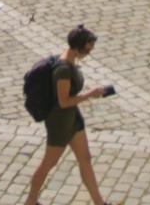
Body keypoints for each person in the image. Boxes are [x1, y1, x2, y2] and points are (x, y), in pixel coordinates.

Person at [23, 25, 112, 205]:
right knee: (49, 163)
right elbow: (63, 101)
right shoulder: (63, 69)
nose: (89, 52)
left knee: (85, 158)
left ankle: (99, 203)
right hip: (60, 122)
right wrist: (90, 94)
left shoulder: (71, 60)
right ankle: (30, 201)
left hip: (72, 118)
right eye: (88, 48)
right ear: (78, 46)